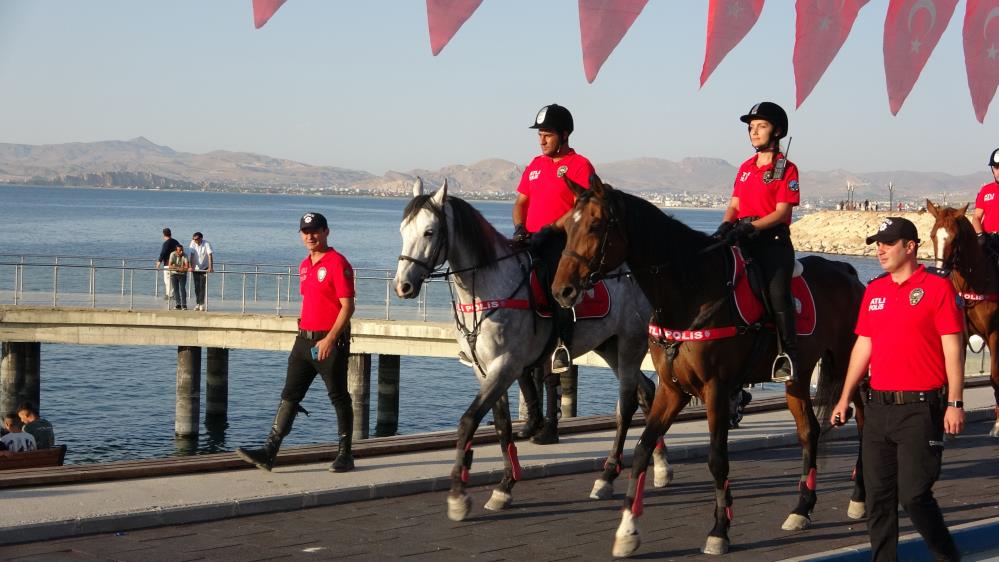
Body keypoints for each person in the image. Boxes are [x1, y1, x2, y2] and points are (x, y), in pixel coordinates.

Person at [831, 217, 964, 562]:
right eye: (878, 243)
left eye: (888, 243)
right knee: (878, 500)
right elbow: (864, 344)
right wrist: (844, 397)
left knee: (914, 496)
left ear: (910, 246)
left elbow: (953, 348)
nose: (881, 250)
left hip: (920, 410)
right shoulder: (874, 290)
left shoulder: (937, 288)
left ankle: (948, 557)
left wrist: (955, 402)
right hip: (877, 410)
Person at [237, 212, 356, 473]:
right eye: (305, 232)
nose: (310, 236)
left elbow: (347, 307)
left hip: (329, 342)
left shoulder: (338, 262)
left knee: (339, 397)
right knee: (289, 395)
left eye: (315, 231)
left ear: (326, 232)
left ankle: (345, 455)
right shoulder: (304, 266)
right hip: (303, 341)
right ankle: (269, 453)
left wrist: (330, 339)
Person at [713, 101, 801, 383]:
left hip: (772, 242)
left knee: (777, 294)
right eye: (751, 127)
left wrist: (751, 226)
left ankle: (788, 354)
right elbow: (735, 204)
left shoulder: (786, 169)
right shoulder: (745, 167)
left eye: (761, 126)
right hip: (742, 238)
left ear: (777, 131)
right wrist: (726, 226)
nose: (754, 131)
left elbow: (782, 213)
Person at [511, 103, 596, 375]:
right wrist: (519, 227)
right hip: (529, 238)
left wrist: (551, 228)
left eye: (547, 134)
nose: (542, 140)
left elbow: (583, 206)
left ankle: (562, 345)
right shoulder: (535, 165)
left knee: (557, 285)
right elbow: (521, 202)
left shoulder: (580, 165)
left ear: (564, 135)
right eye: (540, 135)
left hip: (561, 240)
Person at [971, 148, 999, 253]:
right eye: (996, 167)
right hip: (988, 240)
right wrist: (980, 235)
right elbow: (976, 217)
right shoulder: (986, 190)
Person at [188, 231, 214, 311]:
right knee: (196, 287)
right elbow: (191, 255)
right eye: (194, 239)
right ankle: (197, 303)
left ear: (201, 238)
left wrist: (211, 267)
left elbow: (210, 256)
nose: (195, 241)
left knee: (202, 286)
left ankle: (201, 304)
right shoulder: (192, 243)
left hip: (204, 268)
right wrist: (190, 266)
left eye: (196, 239)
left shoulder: (206, 244)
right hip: (195, 267)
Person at [156, 228, 182, 302]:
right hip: (176, 264)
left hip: (168, 264)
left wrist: (159, 261)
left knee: (167, 280)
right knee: (174, 280)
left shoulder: (166, 243)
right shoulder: (176, 242)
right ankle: (173, 294)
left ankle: (169, 294)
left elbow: (163, 252)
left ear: (164, 235)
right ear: (171, 233)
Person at [167, 244, 190, 310]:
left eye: (182, 250)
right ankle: (178, 304)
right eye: (179, 250)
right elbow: (170, 266)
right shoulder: (172, 254)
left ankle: (184, 305)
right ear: (176, 251)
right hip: (174, 274)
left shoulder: (185, 255)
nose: (181, 252)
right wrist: (179, 268)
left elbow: (186, 266)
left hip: (183, 274)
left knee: (182, 289)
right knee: (176, 289)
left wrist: (175, 266)